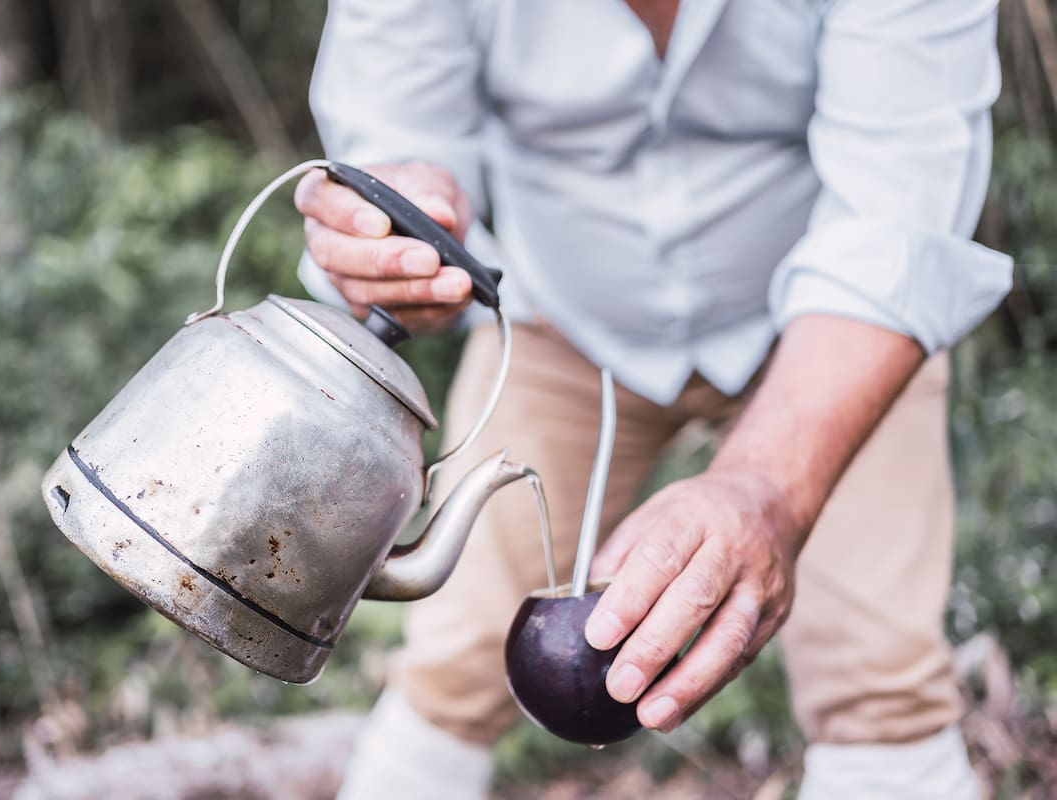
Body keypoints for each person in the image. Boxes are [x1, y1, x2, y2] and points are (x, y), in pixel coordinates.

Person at [293, 1, 1014, 797]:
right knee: (452, 663)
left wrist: (767, 484)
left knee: (880, 684)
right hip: (561, 328)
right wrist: (394, 241)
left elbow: (899, 220)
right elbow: (395, 137)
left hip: (831, 337)